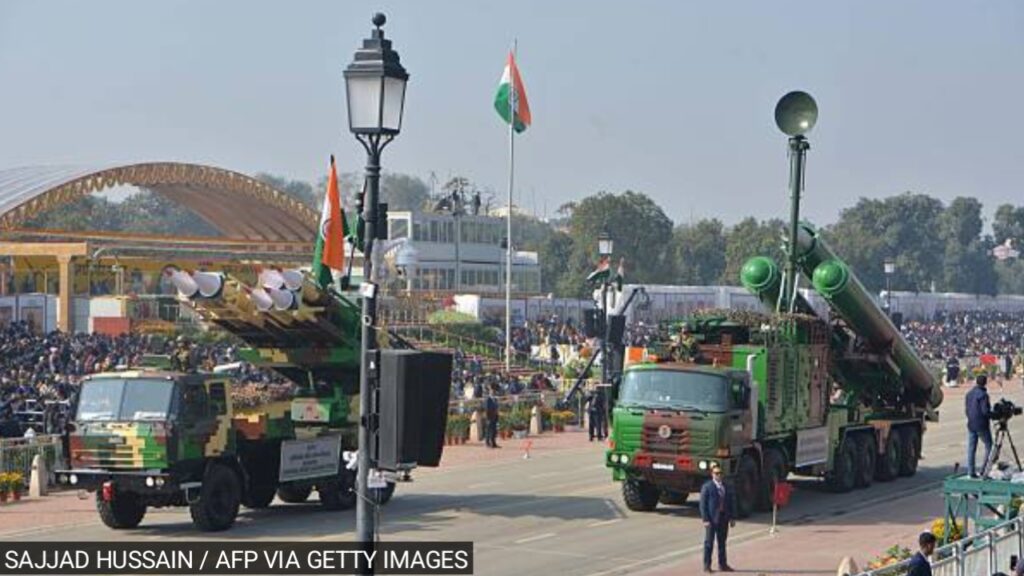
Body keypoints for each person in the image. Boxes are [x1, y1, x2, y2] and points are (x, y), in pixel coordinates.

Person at [699, 464, 736, 573]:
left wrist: (732, 517)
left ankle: (722, 564)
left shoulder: (726, 486)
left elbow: (731, 502)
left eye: (720, 473)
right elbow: (703, 505)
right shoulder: (707, 487)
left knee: (722, 542)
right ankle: (707, 565)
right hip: (711, 519)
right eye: (716, 473)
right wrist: (705, 519)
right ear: (712, 474)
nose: (719, 475)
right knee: (709, 543)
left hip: (723, 518)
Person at [966, 374, 993, 477]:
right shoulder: (983, 395)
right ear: (985, 383)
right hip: (981, 424)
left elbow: (967, 409)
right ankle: (984, 470)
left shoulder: (969, 394)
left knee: (971, 448)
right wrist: (994, 415)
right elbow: (985, 411)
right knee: (989, 446)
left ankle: (971, 471)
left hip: (971, 423)